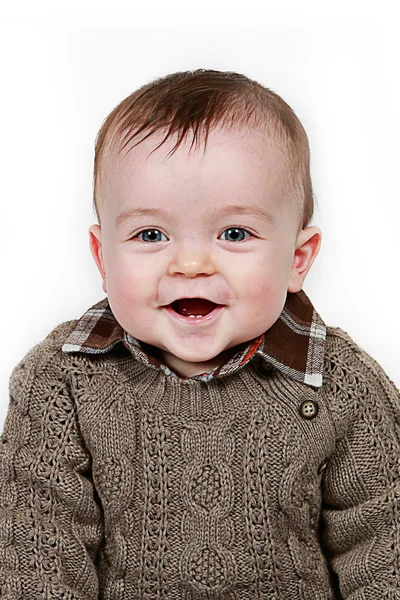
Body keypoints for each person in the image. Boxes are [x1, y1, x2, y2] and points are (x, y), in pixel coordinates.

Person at [0, 69, 399, 600]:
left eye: (234, 233)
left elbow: (384, 543)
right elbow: (37, 546)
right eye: (150, 234)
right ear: (102, 257)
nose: (190, 263)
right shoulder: (62, 381)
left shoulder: (341, 387)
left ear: (296, 260)